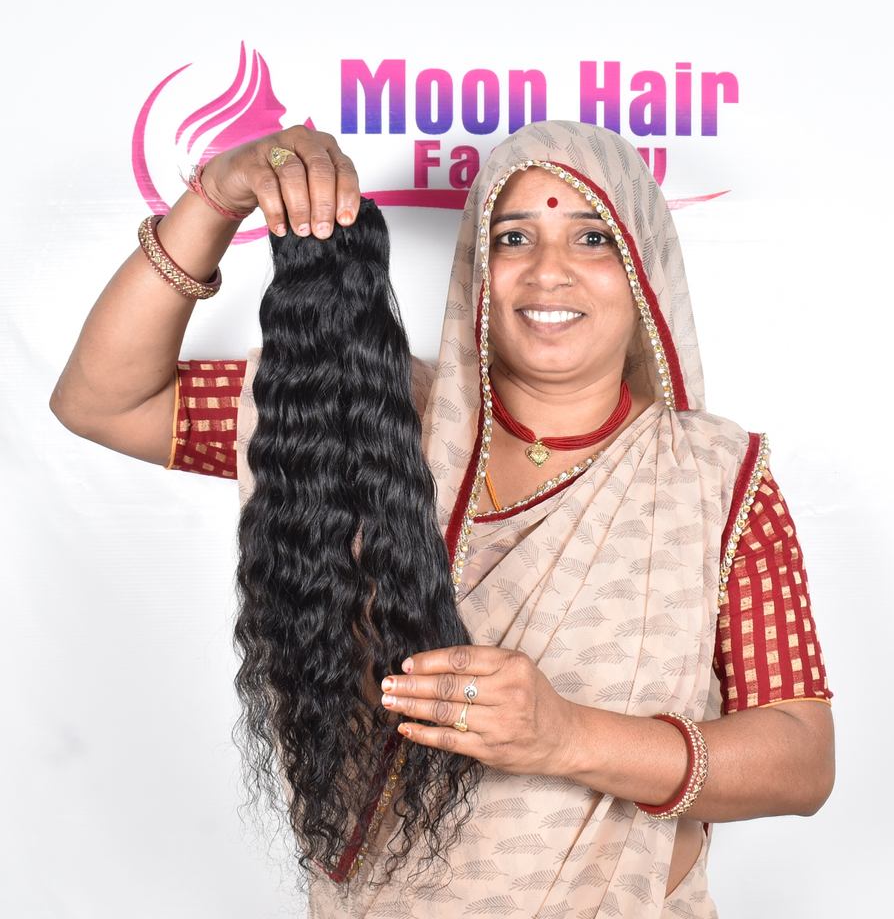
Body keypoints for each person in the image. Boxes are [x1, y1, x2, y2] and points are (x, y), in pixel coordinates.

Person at [50, 120, 835, 917]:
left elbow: (802, 759)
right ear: (476, 269)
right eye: (514, 237)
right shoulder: (365, 421)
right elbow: (104, 401)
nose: (550, 271)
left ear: (644, 266)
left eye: (592, 237)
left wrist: (566, 736)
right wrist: (217, 194)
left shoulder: (714, 477)